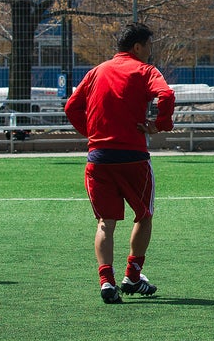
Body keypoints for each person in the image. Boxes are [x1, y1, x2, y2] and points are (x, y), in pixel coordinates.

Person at [64, 21, 175, 304]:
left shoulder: (96, 71)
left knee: (105, 222)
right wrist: (160, 125)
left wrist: (92, 133)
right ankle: (133, 276)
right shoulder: (145, 70)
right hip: (133, 157)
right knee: (145, 215)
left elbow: (71, 107)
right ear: (137, 46)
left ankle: (106, 282)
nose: (150, 52)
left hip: (99, 158)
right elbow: (167, 94)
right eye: (149, 46)